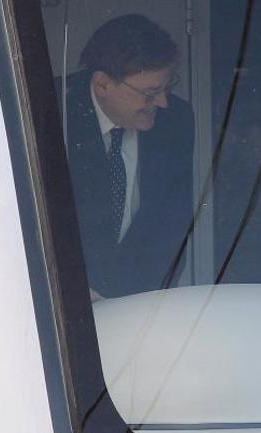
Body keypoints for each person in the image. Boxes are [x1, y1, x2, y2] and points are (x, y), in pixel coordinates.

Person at [63, 14, 195, 299]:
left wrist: (144, 302)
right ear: (102, 85)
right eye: (150, 93)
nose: (162, 102)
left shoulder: (176, 120)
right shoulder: (50, 112)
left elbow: (172, 224)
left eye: (167, 87)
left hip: (138, 301)